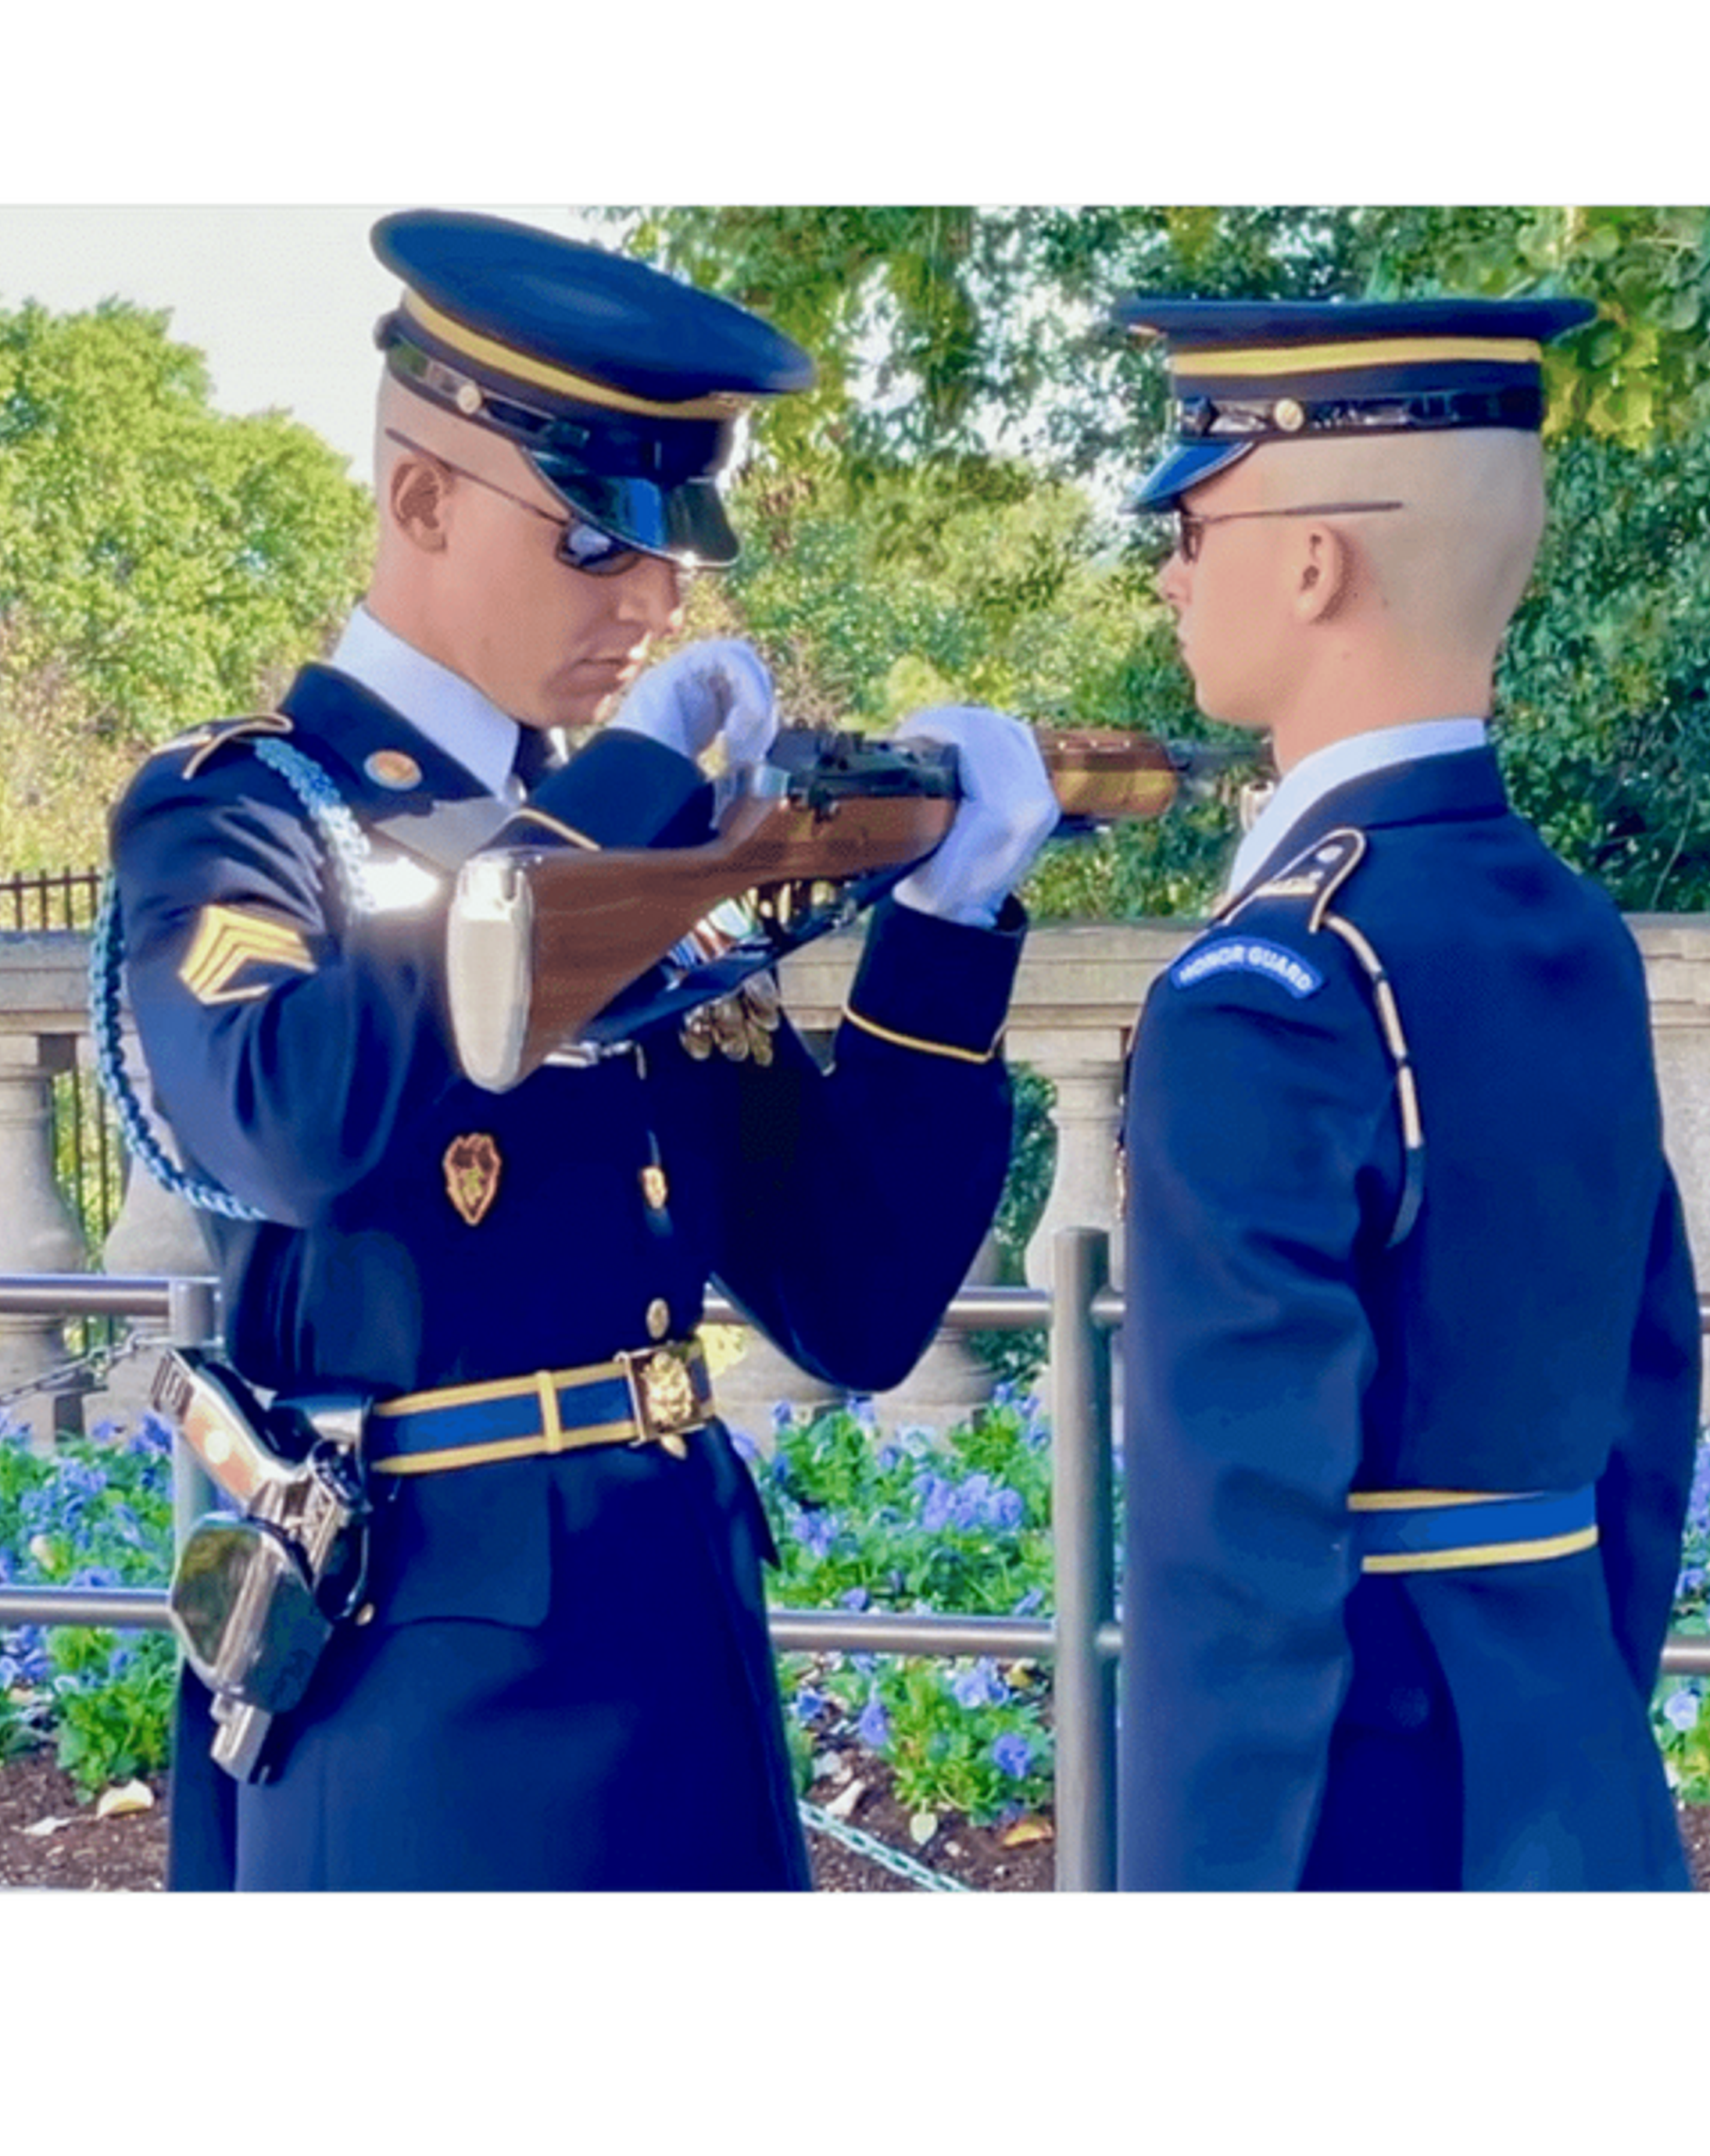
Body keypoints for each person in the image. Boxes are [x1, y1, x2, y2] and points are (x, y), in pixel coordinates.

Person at [102, 210, 1056, 1892]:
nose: (654, 593)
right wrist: (611, 815)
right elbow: (289, 1121)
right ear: (420, 501)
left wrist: (950, 935)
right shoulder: (247, 812)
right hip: (425, 1699)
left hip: (678, 1647)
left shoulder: (654, 864)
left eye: (675, 545)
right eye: (597, 541)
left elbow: (856, 1299)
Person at [1111, 295, 1701, 1893]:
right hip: (1576, 1786)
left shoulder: (1263, 994)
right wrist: (1564, 1710)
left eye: (1194, 515)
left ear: (1314, 564)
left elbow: (1227, 1565)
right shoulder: (1575, 931)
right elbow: (1648, 1407)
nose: (1171, 563)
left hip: (1365, 1822)